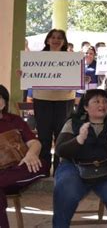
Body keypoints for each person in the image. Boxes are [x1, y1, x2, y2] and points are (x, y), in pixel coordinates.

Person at [53, 89, 107, 227]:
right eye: (96, 101)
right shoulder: (73, 123)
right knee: (66, 191)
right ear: (85, 106)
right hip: (75, 167)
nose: (101, 104)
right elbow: (61, 150)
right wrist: (78, 139)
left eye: (104, 101)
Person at [0, 85, 48, 228]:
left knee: (41, 165)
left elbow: (34, 142)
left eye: (0, 97)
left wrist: (31, 154)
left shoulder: (14, 120)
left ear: (4, 101)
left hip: (18, 169)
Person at [32, 29, 75, 174]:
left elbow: (76, 79)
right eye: (53, 37)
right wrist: (23, 74)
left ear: (64, 41)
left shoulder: (72, 59)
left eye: (59, 38)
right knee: (43, 135)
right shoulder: (36, 58)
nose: (56, 40)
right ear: (47, 40)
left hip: (65, 100)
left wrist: (83, 79)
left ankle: (59, 168)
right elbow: (29, 77)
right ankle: (43, 167)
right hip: (42, 99)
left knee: (61, 135)